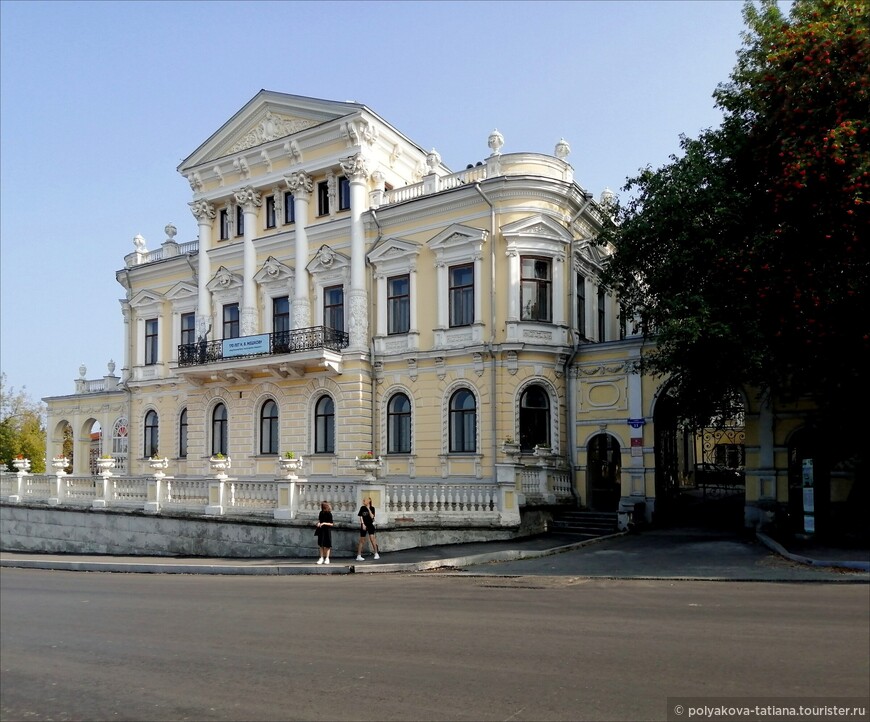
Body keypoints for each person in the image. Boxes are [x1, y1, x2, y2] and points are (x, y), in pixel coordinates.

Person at [355, 496, 380, 561]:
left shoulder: (372, 508)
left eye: (364, 500)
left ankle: (376, 553)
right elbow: (361, 516)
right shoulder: (362, 508)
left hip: (370, 525)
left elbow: (372, 517)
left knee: (372, 539)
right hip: (364, 525)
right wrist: (363, 524)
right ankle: (359, 555)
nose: (363, 501)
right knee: (362, 540)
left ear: (368, 501)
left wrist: (368, 509)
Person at [315, 500, 334, 564]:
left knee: (327, 545)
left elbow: (331, 524)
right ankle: (321, 558)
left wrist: (324, 523)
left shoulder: (329, 514)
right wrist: (318, 523)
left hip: (327, 530)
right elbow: (319, 520)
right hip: (321, 530)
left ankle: (327, 558)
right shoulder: (321, 513)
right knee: (321, 545)